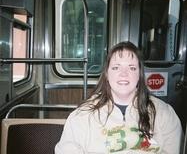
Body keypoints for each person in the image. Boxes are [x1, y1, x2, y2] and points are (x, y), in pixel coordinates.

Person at [55, 41, 183, 154]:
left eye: (132, 68)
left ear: (140, 75)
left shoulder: (164, 114)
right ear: (107, 74)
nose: (123, 74)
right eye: (116, 67)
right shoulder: (83, 116)